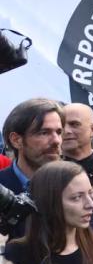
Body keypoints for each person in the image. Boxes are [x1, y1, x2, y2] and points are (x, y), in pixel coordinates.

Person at [2, 161, 93, 264]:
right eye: (77, 197)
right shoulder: (18, 255)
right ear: (49, 202)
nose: (90, 204)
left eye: (89, 193)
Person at [0, 98, 63, 237]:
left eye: (59, 132)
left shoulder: (71, 186)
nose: (56, 141)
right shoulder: (2, 187)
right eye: (44, 133)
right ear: (16, 140)